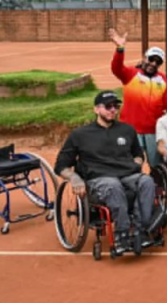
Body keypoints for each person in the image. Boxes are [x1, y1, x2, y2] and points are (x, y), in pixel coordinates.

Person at [54, 91, 156, 254]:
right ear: (96, 109)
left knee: (147, 181)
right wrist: (74, 178)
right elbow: (61, 166)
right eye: (108, 106)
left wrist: (136, 162)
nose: (113, 110)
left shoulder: (127, 130)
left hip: (127, 175)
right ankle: (121, 234)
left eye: (116, 106)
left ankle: (141, 230)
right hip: (99, 179)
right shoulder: (79, 135)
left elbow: (138, 154)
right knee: (113, 185)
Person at [107, 28, 167, 167]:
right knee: (133, 165)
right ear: (144, 58)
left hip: (154, 131)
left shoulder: (163, 79)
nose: (153, 64)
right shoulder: (131, 74)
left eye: (158, 62)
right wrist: (120, 48)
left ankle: (157, 188)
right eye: (151, 59)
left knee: (157, 166)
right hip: (131, 130)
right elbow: (116, 68)